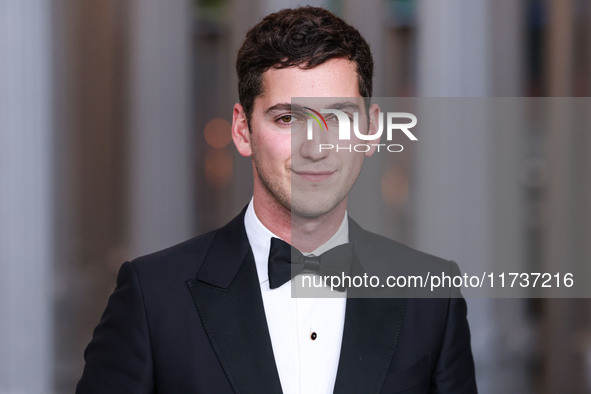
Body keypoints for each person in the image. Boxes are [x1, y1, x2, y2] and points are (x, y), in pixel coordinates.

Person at [77, 6, 477, 393]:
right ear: (242, 130)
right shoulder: (153, 297)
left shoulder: (432, 296)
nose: (315, 148)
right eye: (287, 119)